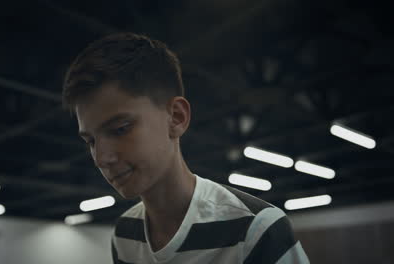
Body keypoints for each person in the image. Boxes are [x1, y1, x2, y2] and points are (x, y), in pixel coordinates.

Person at [62, 32, 309, 264]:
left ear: (176, 117)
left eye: (120, 129)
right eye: (90, 141)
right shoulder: (124, 233)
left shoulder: (256, 228)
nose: (101, 158)